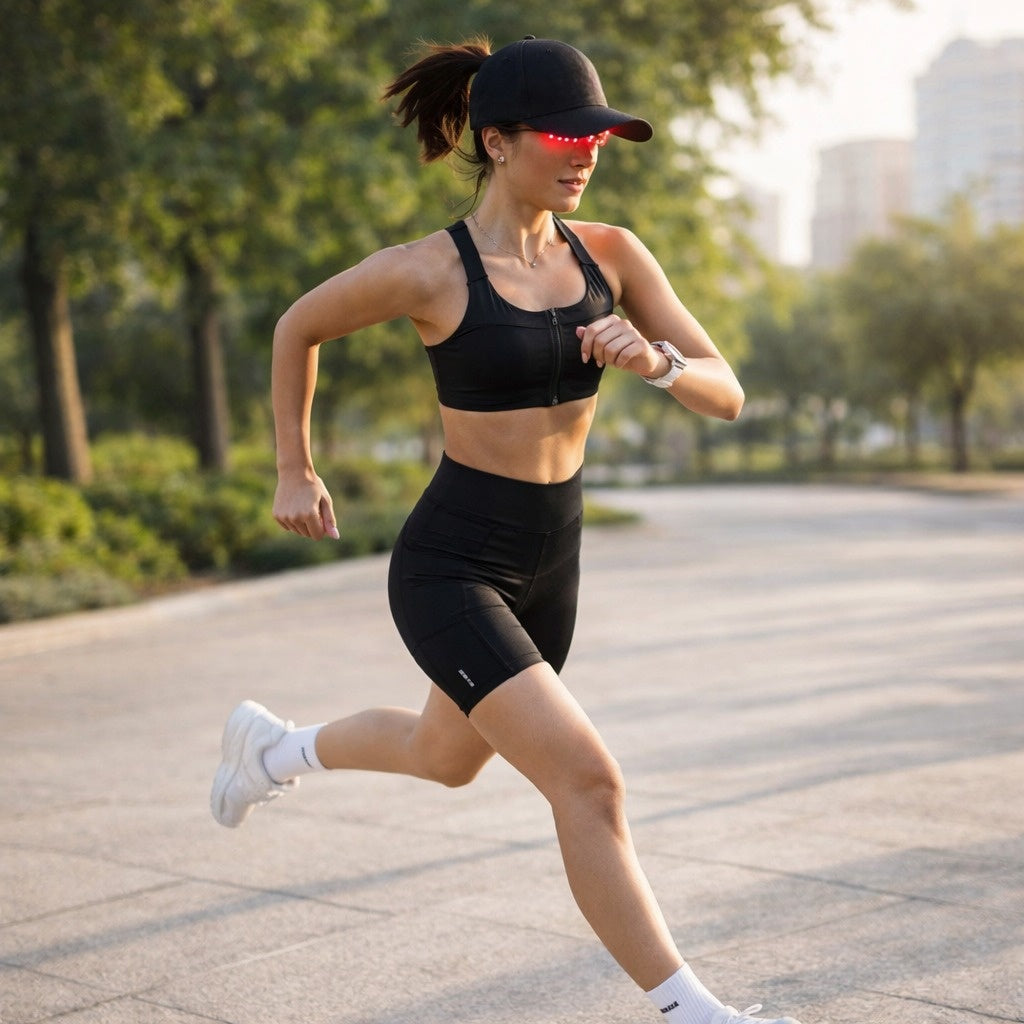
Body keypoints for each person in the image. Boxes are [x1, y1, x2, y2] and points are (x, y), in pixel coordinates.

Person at [210, 35, 803, 1024]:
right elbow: (296, 325)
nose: (587, 153)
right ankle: (697, 1016)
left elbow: (726, 391)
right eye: (567, 136)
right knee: (588, 781)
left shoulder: (611, 254)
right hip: (452, 564)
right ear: (498, 141)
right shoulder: (428, 271)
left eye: (598, 138)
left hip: (550, 563)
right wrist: (294, 467)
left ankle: (274, 751)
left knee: (444, 757)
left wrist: (655, 362)